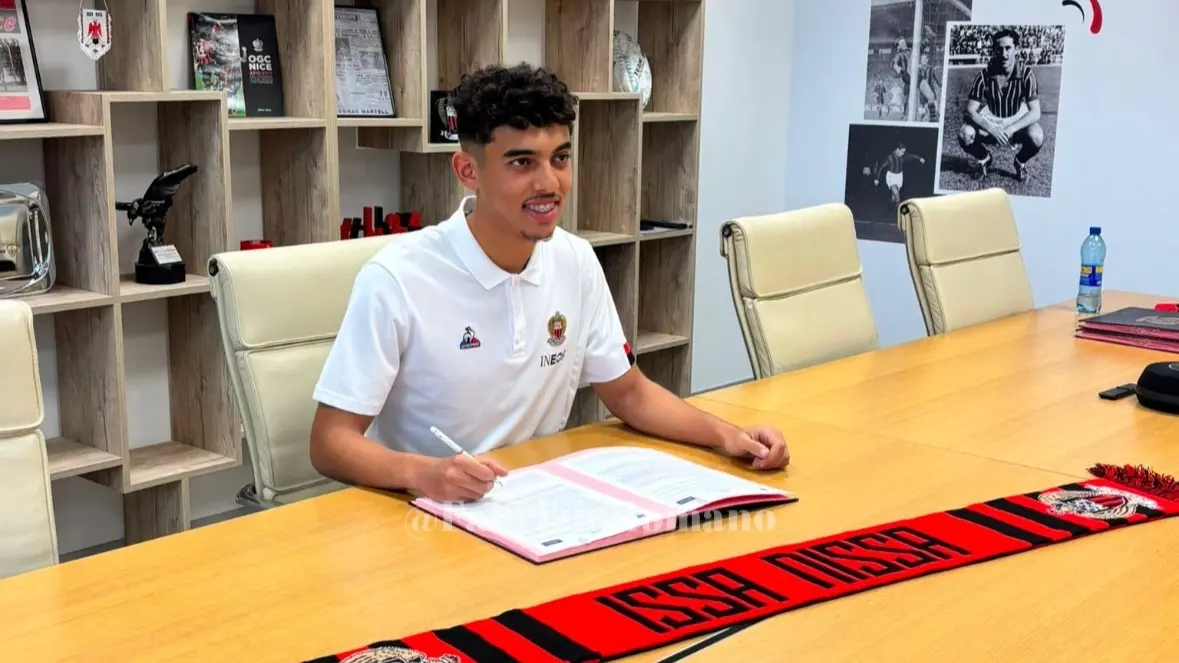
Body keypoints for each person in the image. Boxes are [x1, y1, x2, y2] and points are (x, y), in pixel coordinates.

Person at [308, 63, 790, 504]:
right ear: (468, 171)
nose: (550, 183)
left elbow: (629, 394)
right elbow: (329, 443)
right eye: (522, 163)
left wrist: (728, 436)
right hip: (423, 511)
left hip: (536, 500)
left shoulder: (575, 261)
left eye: (560, 158)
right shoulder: (396, 278)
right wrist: (424, 473)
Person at [957, 28, 1044, 181]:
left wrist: (1011, 129)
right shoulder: (984, 76)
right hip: (992, 118)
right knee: (965, 133)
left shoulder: (1027, 74)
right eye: (1000, 49)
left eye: (1008, 48)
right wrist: (993, 130)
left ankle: (1020, 162)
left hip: (1016, 118)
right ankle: (984, 158)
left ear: (1016, 49)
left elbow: (1035, 112)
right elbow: (970, 110)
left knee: (1037, 136)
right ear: (994, 50)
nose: (1004, 54)